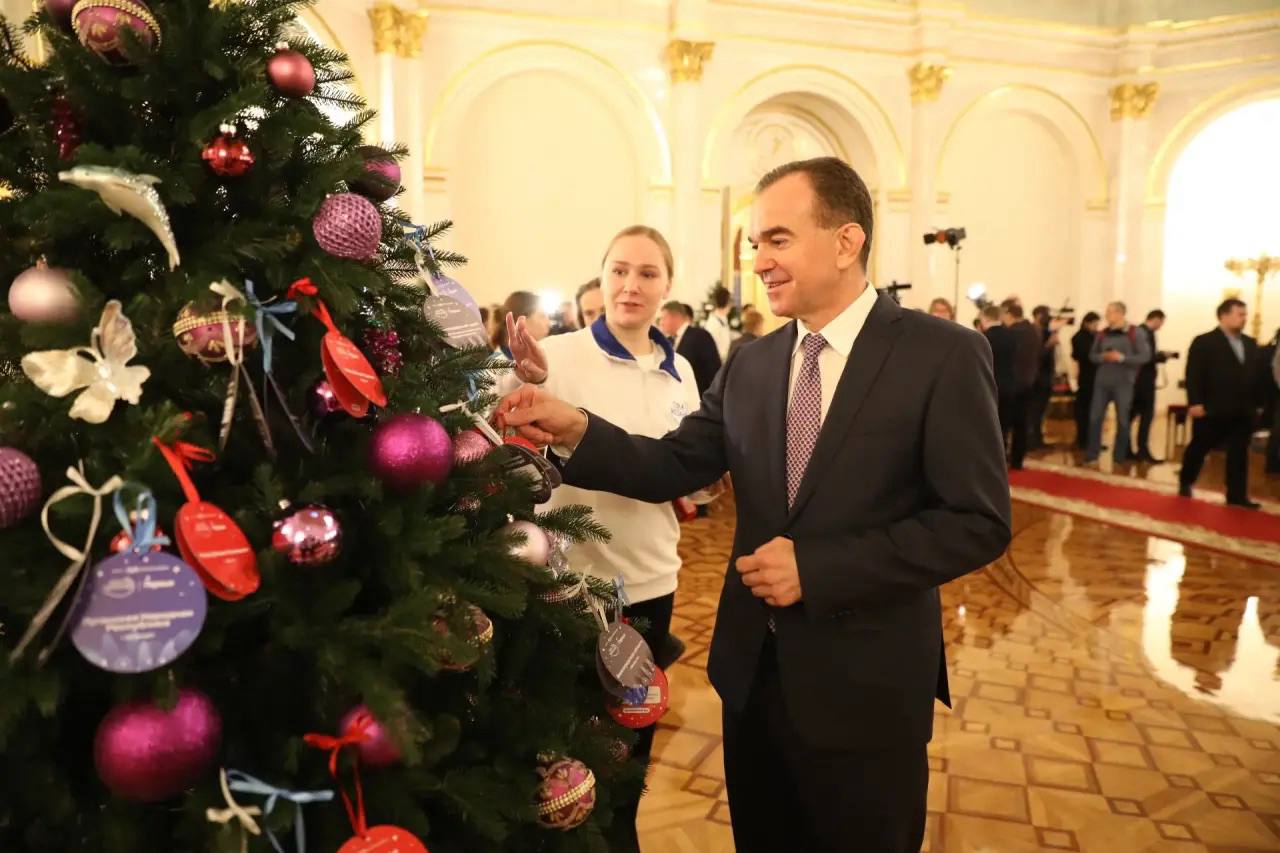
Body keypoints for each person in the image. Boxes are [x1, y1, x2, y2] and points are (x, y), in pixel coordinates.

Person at [498, 156, 1011, 853]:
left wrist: (821, 568)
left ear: (846, 241)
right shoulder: (752, 362)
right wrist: (576, 427)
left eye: (777, 239)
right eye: (755, 242)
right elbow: (674, 463)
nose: (759, 260)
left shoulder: (942, 354)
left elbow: (977, 521)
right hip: (754, 681)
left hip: (867, 691)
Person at [503, 225, 702, 850]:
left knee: (629, 744)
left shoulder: (681, 371)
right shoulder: (556, 355)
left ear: (668, 286)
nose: (630, 285)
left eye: (647, 273)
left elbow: (685, 473)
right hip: (567, 584)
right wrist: (518, 378)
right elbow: (499, 419)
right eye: (619, 270)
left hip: (650, 583)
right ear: (602, 276)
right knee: (562, 749)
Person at [1178, 298, 1262, 508]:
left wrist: (1258, 403)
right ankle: (1186, 480)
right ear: (1224, 316)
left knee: (1238, 453)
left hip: (1242, 409)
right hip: (1212, 407)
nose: (1244, 318)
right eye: (1239, 314)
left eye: (1245, 314)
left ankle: (1237, 495)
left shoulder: (1250, 343)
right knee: (1200, 446)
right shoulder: (1204, 342)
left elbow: (1256, 375)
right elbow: (1194, 374)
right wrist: (1195, 402)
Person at [1086, 301, 1150, 465]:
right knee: (1095, 417)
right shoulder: (1102, 333)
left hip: (1124, 382)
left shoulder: (1135, 332)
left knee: (1122, 420)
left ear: (1120, 313)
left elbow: (1145, 356)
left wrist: (1122, 358)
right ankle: (1092, 454)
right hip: (1102, 381)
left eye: (1110, 312)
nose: (1107, 315)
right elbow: (1092, 355)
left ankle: (1119, 456)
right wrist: (1103, 357)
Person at [1003, 300, 1041, 469]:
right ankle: (1018, 459)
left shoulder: (1011, 333)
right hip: (1029, 382)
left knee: (1004, 423)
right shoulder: (1033, 331)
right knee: (1022, 423)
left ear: (1009, 315)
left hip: (1011, 382)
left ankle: (1002, 457)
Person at [981, 304, 1018, 465]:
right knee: (1004, 426)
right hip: (1009, 386)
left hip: (990, 387)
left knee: (989, 427)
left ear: (984, 318)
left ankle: (989, 461)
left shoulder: (983, 338)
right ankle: (1002, 459)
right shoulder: (1011, 336)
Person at [1130, 308, 1169, 462]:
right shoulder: (1143, 333)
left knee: (1132, 415)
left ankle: (1127, 449)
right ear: (1156, 319)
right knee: (1145, 415)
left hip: (1139, 380)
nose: (1161, 326)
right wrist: (1161, 357)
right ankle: (1142, 450)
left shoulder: (1141, 332)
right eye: (1161, 322)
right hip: (1142, 382)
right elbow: (1144, 357)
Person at [659, 300, 721, 396]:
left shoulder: (700, 336)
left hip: (699, 396)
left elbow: (713, 371)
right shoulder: (669, 341)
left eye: (663, 318)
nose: (661, 323)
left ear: (676, 317)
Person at [1027, 305, 1057, 450]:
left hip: (1044, 377)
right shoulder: (1033, 331)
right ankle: (1032, 441)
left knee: (1040, 411)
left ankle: (1038, 439)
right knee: (1035, 411)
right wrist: (1049, 345)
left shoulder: (1043, 331)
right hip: (1038, 378)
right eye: (1046, 314)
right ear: (1038, 315)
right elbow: (1035, 356)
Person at [1071, 311, 1100, 450]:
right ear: (1087, 323)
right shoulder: (1079, 337)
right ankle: (1083, 440)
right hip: (1086, 377)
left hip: (1096, 377)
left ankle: (1093, 440)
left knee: (1095, 410)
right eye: (1094, 324)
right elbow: (1081, 355)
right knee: (1084, 410)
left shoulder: (1096, 336)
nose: (1096, 327)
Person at [706, 285, 734, 361]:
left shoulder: (723, 319)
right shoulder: (713, 324)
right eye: (730, 301)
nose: (732, 304)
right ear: (727, 302)